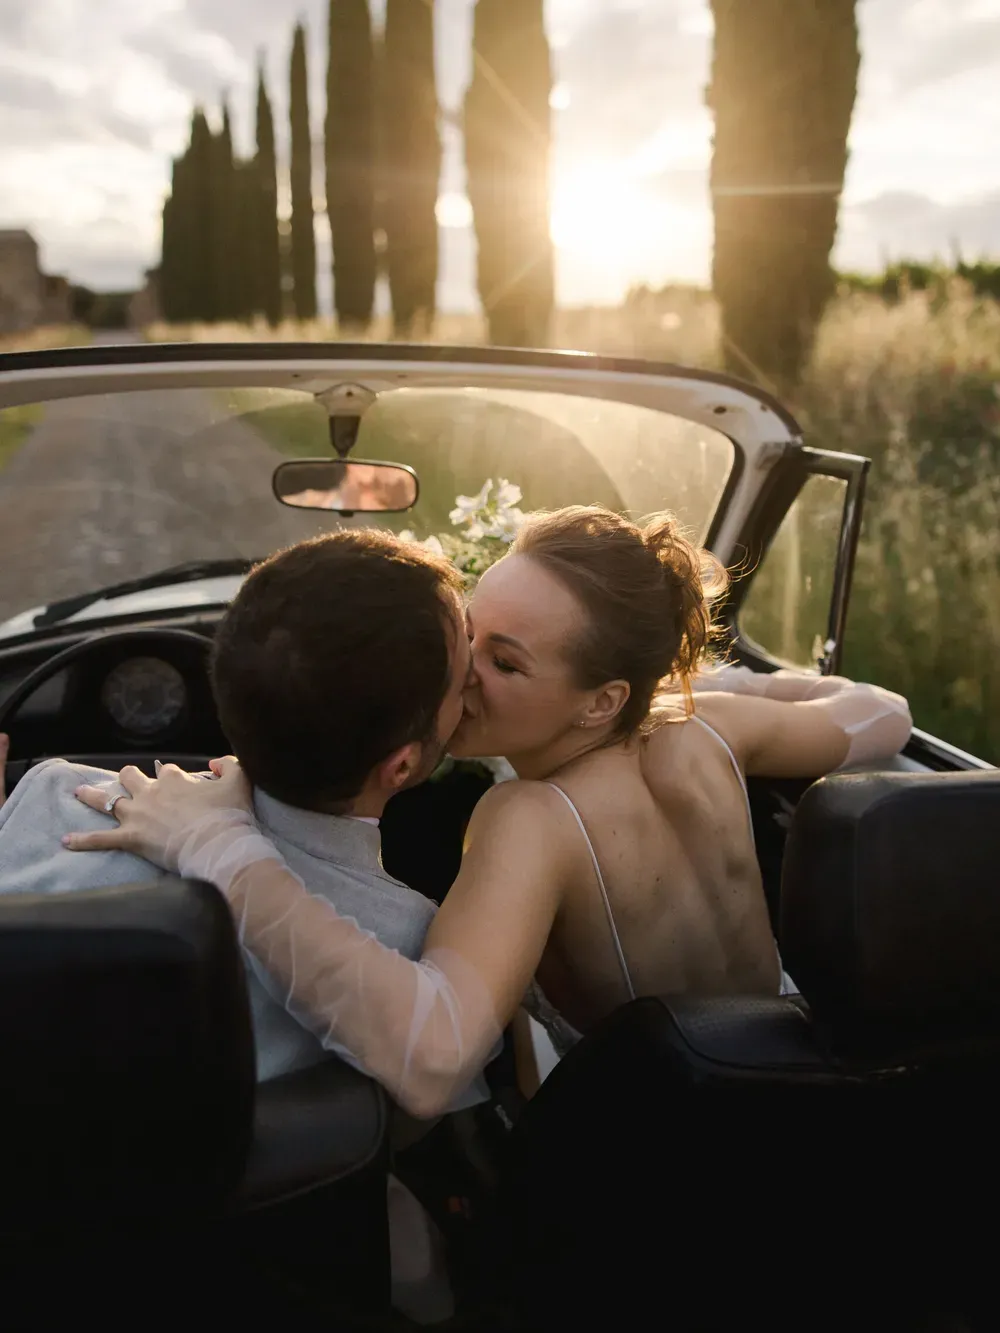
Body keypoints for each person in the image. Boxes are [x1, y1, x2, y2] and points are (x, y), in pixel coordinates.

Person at [66, 505, 913, 1121]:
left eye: (504, 662)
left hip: (660, 1133)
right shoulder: (711, 729)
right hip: (809, 1080)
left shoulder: (530, 817)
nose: (459, 674)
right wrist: (724, 684)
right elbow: (885, 714)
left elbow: (433, 1057)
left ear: (597, 701)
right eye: (472, 626)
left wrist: (217, 845)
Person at [0, 528, 480, 1095]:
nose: (476, 679)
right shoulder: (408, 951)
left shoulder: (56, 795)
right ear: (400, 766)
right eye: (463, 678)